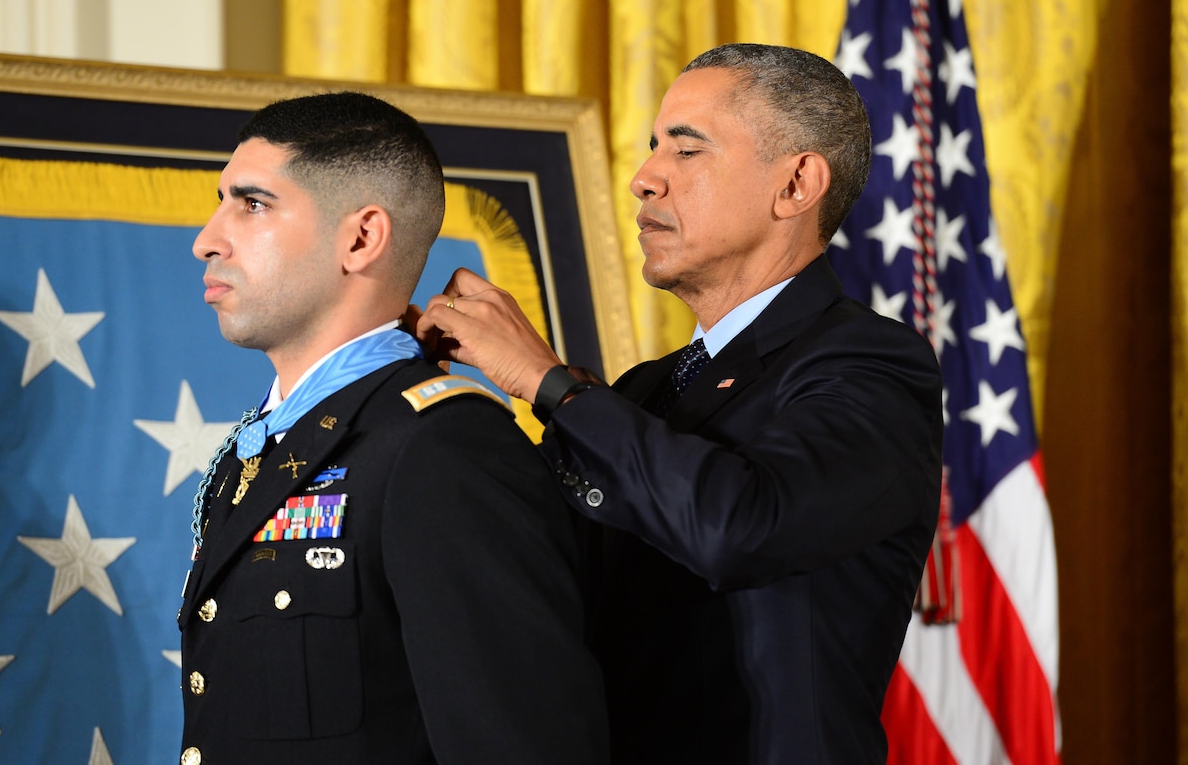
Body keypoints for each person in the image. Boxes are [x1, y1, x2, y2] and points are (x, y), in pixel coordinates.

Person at [414, 43, 944, 764]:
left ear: (796, 185)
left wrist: (547, 381)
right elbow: (523, 566)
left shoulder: (871, 363)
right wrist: (395, 383)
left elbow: (743, 526)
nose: (643, 180)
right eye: (653, 149)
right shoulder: (643, 391)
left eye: (686, 152)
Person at [177, 91, 608, 765]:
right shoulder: (264, 446)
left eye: (251, 203)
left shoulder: (443, 447)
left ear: (360, 238)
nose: (207, 238)